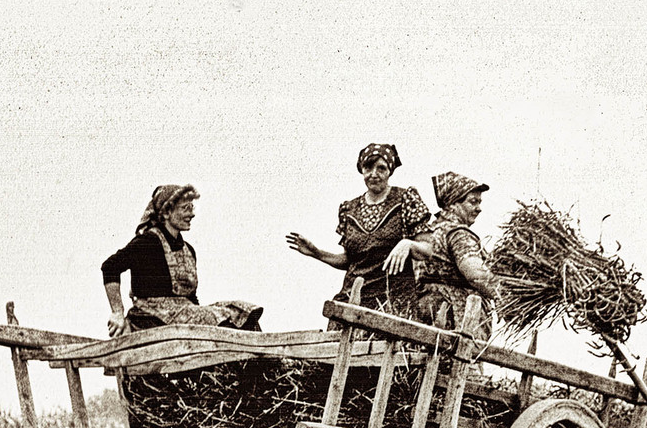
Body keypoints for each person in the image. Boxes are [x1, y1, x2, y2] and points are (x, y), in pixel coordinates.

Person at [285, 143, 431, 318]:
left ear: (390, 171)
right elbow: (350, 260)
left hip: (392, 301)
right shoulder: (349, 209)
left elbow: (428, 250)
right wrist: (316, 253)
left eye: (381, 168)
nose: (374, 174)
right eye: (368, 168)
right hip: (353, 296)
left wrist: (408, 244)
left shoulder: (405, 199)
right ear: (361, 169)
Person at [101, 184, 263, 337]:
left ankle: (272, 363)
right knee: (220, 318)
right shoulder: (148, 242)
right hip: (150, 317)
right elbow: (110, 267)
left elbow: (191, 298)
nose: (191, 214)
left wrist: (203, 314)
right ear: (166, 213)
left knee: (243, 313)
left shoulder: (188, 250)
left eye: (191, 207)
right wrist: (117, 312)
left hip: (184, 313)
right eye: (185, 208)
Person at [416, 172, 500, 341]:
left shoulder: (429, 232)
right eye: (473, 202)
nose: (479, 208)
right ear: (453, 204)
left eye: (479, 202)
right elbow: (475, 274)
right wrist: (504, 295)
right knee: (462, 366)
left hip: (427, 315)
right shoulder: (458, 234)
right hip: (455, 321)